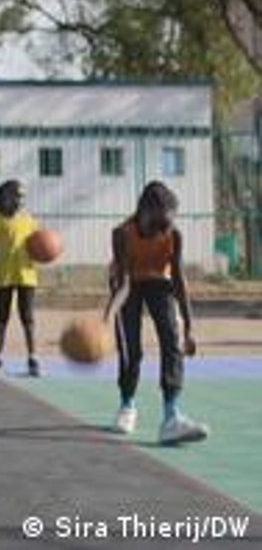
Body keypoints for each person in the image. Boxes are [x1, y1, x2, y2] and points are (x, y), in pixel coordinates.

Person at [106, 181, 208, 445]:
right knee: (131, 347)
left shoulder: (173, 235)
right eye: (159, 224)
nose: (163, 230)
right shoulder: (122, 234)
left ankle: (171, 417)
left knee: (172, 342)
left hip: (158, 283)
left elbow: (178, 279)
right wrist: (107, 317)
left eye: (168, 225)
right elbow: (125, 284)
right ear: (143, 212)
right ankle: (127, 405)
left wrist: (188, 327)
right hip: (127, 285)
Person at [0, 179, 40, 377]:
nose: (20, 200)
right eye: (17, 195)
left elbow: (38, 247)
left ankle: (33, 358)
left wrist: (45, 251)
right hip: (4, 276)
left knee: (28, 319)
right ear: (6, 197)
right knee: (1, 319)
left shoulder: (30, 221)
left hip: (26, 276)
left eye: (23, 196)